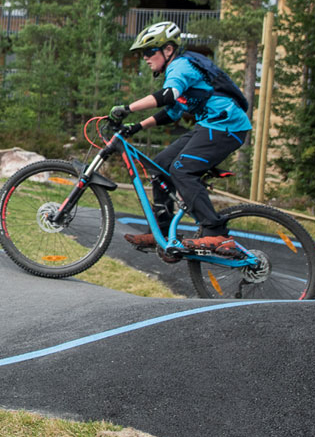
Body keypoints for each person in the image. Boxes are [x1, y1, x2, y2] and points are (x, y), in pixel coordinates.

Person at [106, 20, 254, 258]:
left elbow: (167, 96)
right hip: (209, 125)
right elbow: (172, 111)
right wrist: (137, 127)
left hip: (227, 126)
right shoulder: (177, 70)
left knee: (182, 169)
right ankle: (161, 232)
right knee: (159, 165)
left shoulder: (181, 66)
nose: (145, 58)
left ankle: (216, 232)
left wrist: (127, 108)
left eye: (149, 51)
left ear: (167, 50)